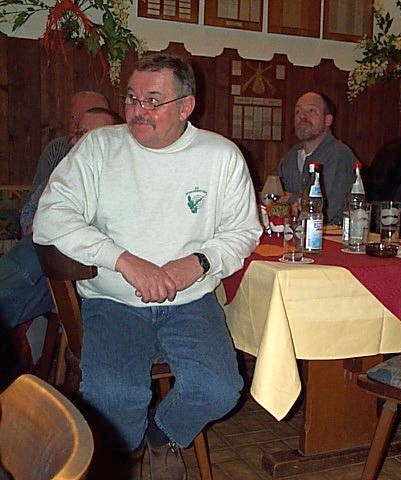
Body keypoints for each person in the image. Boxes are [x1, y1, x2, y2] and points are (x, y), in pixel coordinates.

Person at [33, 54, 262, 480]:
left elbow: (243, 230)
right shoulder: (99, 148)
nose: (138, 110)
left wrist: (198, 262)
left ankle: (160, 435)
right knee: (113, 397)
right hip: (112, 301)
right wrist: (123, 260)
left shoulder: (220, 156)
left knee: (219, 390)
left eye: (153, 101)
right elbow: (49, 218)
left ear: (186, 106)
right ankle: (125, 453)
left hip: (190, 302)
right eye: (132, 98)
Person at [0, 107, 123, 387]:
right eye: (78, 133)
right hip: (41, 258)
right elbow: (29, 218)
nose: (80, 140)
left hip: (87, 275)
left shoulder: (121, 177)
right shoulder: (63, 173)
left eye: (91, 134)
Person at [276, 91, 357, 224]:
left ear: (327, 120)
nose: (302, 116)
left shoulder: (339, 154)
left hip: (333, 234)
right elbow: (274, 199)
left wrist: (291, 199)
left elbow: (324, 210)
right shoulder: (290, 157)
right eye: (297, 111)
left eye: (311, 110)